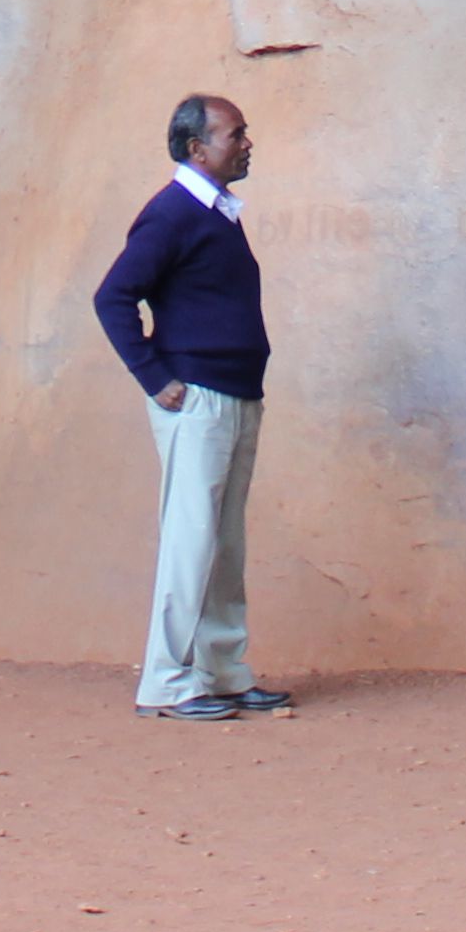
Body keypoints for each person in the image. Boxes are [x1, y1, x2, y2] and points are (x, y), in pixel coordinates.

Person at [91, 91, 287, 721]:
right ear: (196, 148)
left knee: (223, 542)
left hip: (234, 395)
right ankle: (167, 683)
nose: (246, 143)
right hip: (199, 399)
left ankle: (222, 672)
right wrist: (154, 377)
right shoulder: (173, 213)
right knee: (191, 538)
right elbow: (113, 297)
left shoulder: (218, 213)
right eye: (235, 134)